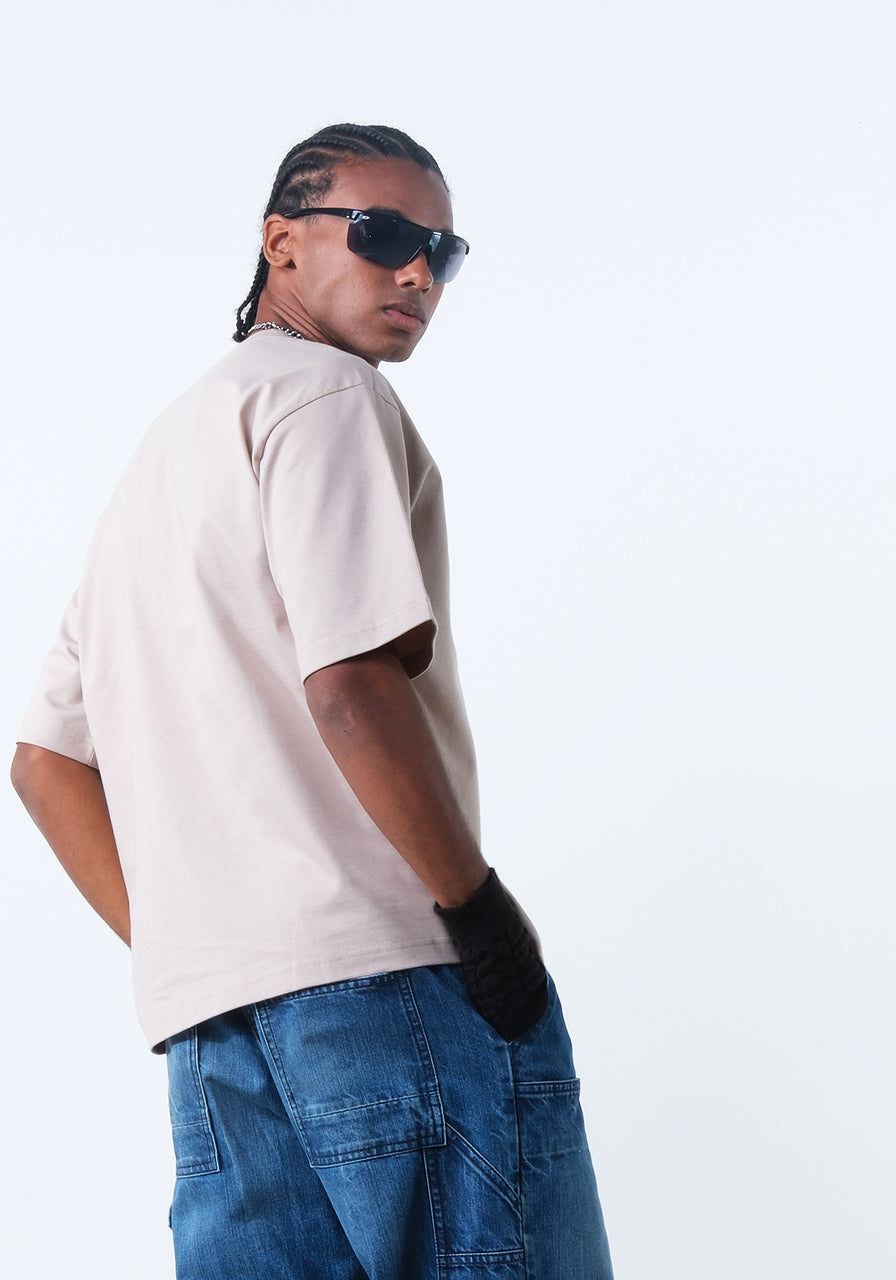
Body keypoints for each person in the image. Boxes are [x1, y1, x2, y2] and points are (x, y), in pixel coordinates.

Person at [11, 123, 614, 1279]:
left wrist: (205, 942)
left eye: (444, 250)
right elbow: (348, 680)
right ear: (280, 241)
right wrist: (479, 915)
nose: (418, 272)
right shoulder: (325, 393)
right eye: (382, 234)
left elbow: (45, 761)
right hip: (393, 985)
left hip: (216, 1031)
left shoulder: (162, 459)